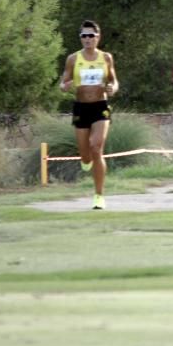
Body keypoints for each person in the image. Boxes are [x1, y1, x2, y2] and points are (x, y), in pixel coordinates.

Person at [58, 20, 118, 210]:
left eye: (91, 35)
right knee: (85, 155)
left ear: (98, 37)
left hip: (100, 106)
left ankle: (99, 195)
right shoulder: (73, 59)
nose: (87, 39)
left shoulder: (106, 58)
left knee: (96, 147)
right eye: (83, 36)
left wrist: (113, 88)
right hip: (81, 107)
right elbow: (63, 82)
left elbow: (114, 82)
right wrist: (64, 86)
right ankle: (86, 162)